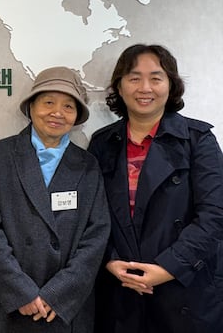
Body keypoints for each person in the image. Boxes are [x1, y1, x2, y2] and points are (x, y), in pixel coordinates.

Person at [88, 44, 223, 333]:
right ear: (120, 87)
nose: (145, 88)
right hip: (121, 288)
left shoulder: (198, 139)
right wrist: (109, 260)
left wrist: (169, 267)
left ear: (170, 85)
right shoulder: (102, 143)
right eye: (134, 78)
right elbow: (91, 215)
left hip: (185, 287)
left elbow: (215, 215)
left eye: (156, 78)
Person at [0, 66, 110, 333]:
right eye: (48, 102)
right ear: (32, 106)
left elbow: (96, 235)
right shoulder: (1, 155)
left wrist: (58, 294)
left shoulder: (87, 165)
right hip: (9, 301)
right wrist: (21, 291)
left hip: (64, 307)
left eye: (68, 106)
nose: (57, 112)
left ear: (76, 115)